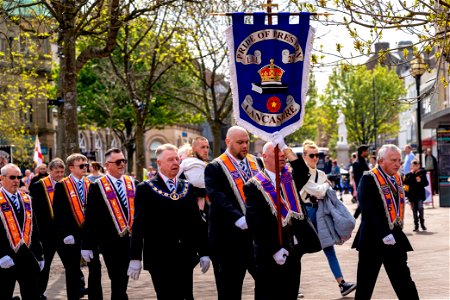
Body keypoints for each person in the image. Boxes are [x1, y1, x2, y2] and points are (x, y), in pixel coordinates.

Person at [128, 144, 209, 299]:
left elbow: (196, 222)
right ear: (159, 163)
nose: (175, 163)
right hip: (159, 257)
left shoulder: (186, 186)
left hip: (185, 256)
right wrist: (135, 257)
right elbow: (139, 224)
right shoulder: (146, 188)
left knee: (187, 297)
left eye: (177, 159)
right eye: (170, 159)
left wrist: (204, 252)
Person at [244, 136, 321, 300]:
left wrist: (285, 147)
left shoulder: (290, 177)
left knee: (290, 294)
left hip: (292, 249)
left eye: (283, 153)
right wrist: (274, 249)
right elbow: (255, 223)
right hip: (269, 253)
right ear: (264, 157)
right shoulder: (254, 185)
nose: (282, 156)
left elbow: (303, 171)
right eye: (277, 152)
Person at [352, 144, 419, 300]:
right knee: (365, 286)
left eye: (399, 161)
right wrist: (384, 233)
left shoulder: (396, 178)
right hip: (372, 240)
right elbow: (367, 209)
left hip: (394, 238)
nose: (397, 164)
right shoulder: (369, 177)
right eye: (393, 160)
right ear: (381, 161)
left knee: (404, 282)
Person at [205, 125, 262, 300]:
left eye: (247, 141)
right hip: (228, 241)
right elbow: (217, 197)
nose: (245, 146)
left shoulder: (256, 163)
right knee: (229, 290)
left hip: (255, 239)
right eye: (240, 142)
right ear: (228, 142)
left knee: (266, 284)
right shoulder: (214, 167)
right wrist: (238, 218)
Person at [299, 140, 357, 297]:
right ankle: (292, 286)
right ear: (304, 156)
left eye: (317, 155)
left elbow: (321, 191)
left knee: (329, 248)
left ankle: (342, 284)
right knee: (297, 250)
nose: (315, 158)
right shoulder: (299, 173)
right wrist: (325, 186)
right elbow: (318, 191)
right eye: (312, 155)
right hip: (305, 213)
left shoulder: (321, 174)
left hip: (320, 213)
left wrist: (323, 187)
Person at [82, 148, 137, 299]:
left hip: (130, 241)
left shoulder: (132, 183)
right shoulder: (97, 186)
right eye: (118, 162)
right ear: (108, 164)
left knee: (122, 280)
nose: (122, 164)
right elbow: (90, 217)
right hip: (109, 242)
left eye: (123, 161)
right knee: (117, 278)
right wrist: (86, 245)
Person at [53, 153, 102, 300]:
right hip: (72, 235)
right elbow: (58, 212)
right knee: (73, 269)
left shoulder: (91, 184)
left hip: (90, 234)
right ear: (71, 168)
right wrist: (65, 233)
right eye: (81, 165)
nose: (85, 168)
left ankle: (96, 296)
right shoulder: (62, 185)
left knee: (95, 268)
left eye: (86, 165)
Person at [0, 163, 44, 300]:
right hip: (5, 258)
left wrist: (40, 254)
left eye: (19, 177)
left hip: (27, 256)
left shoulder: (27, 199)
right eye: (12, 177)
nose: (16, 180)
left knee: (32, 295)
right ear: (2, 178)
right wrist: (1, 255)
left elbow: (34, 229)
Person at [29, 158, 67, 300]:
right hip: (46, 235)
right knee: (44, 266)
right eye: (57, 172)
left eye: (62, 172)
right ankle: (39, 292)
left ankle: (77, 288)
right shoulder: (39, 186)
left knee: (71, 265)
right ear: (50, 171)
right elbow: (35, 213)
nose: (59, 175)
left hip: (63, 234)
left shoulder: (66, 185)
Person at [179, 136, 210, 217]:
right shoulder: (193, 164)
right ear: (193, 149)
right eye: (202, 147)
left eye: (207, 147)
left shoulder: (201, 164)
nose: (206, 150)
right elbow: (200, 192)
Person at [404, 159, 428, 232]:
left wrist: (421, 181)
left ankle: (422, 224)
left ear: (419, 166)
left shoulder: (422, 174)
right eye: (413, 165)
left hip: (420, 194)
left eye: (416, 166)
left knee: (420, 208)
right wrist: (411, 174)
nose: (414, 167)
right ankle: (416, 225)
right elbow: (405, 182)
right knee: (414, 211)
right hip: (412, 195)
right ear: (411, 166)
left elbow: (426, 183)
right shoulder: (408, 174)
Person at [352, 145, 370, 219]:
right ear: (363, 152)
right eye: (367, 151)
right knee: (362, 207)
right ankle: (352, 220)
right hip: (363, 188)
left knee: (364, 208)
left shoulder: (362, 161)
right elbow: (359, 178)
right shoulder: (358, 162)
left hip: (364, 188)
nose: (368, 153)